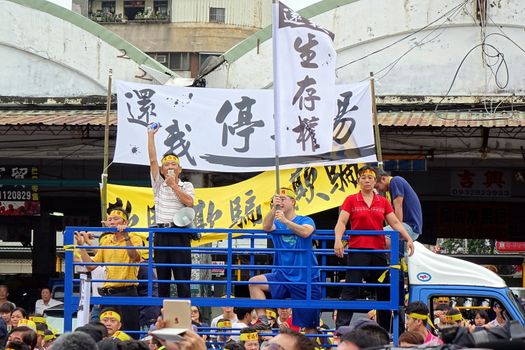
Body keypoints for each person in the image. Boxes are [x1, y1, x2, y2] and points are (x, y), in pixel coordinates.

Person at [333, 165, 415, 331]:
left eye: (370, 178)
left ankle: (384, 330)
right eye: (363, 178)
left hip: (378, 251)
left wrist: (408, 238)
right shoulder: (351, 200)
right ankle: (340, 330)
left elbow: (395, 223)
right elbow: (341, 222)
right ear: (358, 181)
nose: (367, 180)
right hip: (358, 250)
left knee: (384, 290)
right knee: (351, 289)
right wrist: (338, 240)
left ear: (375, 180)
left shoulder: (383, 202)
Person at [249, 188, 320, 334]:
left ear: (293, 202)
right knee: (254, 282)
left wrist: (286, 221)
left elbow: (306, 232)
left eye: (283, 199)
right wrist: (273, 208)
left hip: (306, 277)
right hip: (282, 274)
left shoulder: (305, 219)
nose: (280, 202)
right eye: (277, 199)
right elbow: (266, 226)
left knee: (310, 327)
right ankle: (263, 320)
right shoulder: (276, 221)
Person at [74, 200, 142, 334]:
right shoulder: (105, 240)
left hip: (127, 291)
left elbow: (134, 256)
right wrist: (82, 247)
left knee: (129, 333)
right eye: (109, 219)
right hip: (108, 293)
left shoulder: (134, 238)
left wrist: (126, 236)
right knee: (106, 332)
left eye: (116, 219)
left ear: (125, 223)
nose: (111, 222)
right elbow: (91, 267)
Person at [147, 125, 195, 299]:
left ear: (179, 169)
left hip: (179, 232)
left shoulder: (186, 185)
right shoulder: (158, 184)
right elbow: (152, 160)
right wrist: (150, 135)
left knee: (183, 278)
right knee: (163, 279)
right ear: (161, 169)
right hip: (161, 232)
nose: (170, 167)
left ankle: (185, 314)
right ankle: (162, 314)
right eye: (166, 164)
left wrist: (174, 185)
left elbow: (189, 203)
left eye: (174, 164)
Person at [374, 168, 422, 241]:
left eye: (377, 187)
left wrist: (397, 228)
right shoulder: (391, 188)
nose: (378, 190)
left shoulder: (395, 181)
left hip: (409, 227)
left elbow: (398, 207)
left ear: (383, 179)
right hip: (409, 228)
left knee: (374, 235)